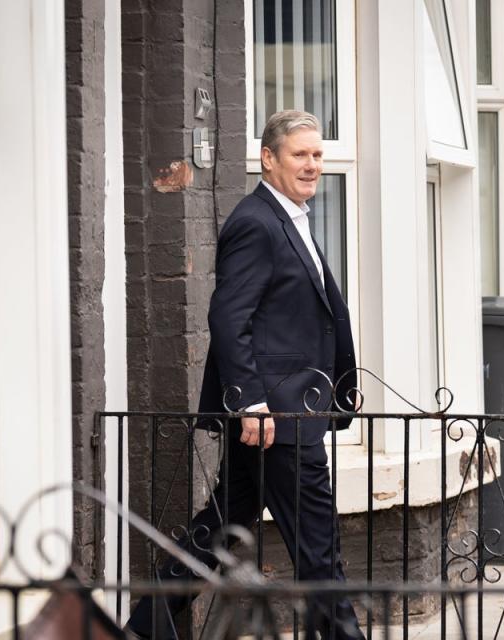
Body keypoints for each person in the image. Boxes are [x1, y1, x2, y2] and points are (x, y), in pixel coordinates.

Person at [126, 110, 362, 639]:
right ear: (268, 159)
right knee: (316, 544)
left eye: (318, 155)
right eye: (299, 155)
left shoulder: (290, 217)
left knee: (218, 527)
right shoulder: (255, 222)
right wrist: (251, 403)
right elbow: (229, 319)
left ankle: (144, 626)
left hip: (285, 413)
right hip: (277, 417)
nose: (312, 165)